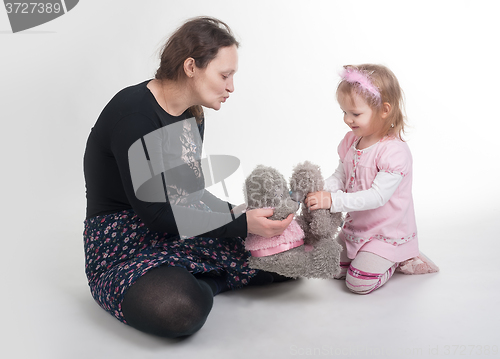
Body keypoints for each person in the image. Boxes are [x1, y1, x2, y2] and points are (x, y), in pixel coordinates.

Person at [83, 17, 293, 338]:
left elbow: (188, 194)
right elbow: (156, 215)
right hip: (123, 244)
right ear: (191, 66)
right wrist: (241, 225)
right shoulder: (134, 115)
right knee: (180, 310)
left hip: (178, 228)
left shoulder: (192, 113)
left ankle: (209, 270)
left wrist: (236, 213)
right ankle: (215, 279)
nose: (231, 87)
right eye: (225, 75)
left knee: (290, 259)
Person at [304, 64, 419, 294]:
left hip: (385, 234)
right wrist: (321, 190)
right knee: (329, 267)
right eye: (344, 112)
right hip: (356, 228)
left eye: (355, 114)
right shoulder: (351, 141)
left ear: (384, 110)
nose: (347, 119)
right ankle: (360, 257)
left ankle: (396, 259)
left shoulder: (393, 152)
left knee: (357, 283)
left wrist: (332, 201)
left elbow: (376, 197)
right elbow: (341, 175)